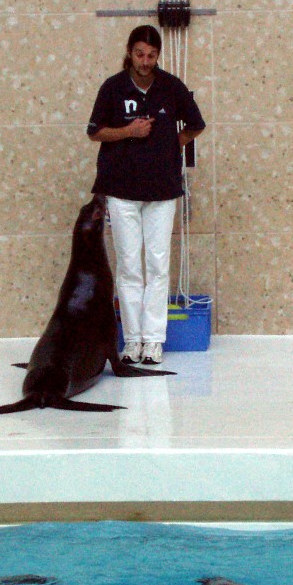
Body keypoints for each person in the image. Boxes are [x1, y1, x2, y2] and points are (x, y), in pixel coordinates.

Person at [87, 25, 206, 365]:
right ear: (129, 51)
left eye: (151, 55)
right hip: (121, 190)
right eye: (139, 54)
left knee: (157, 265)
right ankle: (132, 341)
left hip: (162, 190)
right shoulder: (113, 87)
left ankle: (154, 340)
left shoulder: (170, 87)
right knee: (128, 266)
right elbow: (95, 132)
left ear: (158, 56)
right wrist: (130, 131)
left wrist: (172, 143)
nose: (145, 61)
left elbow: (196, 125)